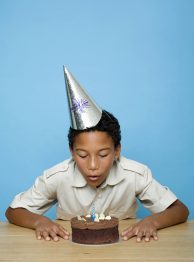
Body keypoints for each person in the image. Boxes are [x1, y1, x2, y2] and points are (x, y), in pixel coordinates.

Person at [5, 68, 189, 243]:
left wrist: (152, 222)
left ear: (117, 151)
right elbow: (13, 211)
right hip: (69, 253)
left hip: (123, 252)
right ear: (72, 152)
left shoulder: (135, 174)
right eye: (83, 155)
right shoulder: (58, 176)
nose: (93, 165)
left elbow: (180, 210)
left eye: (103, 154)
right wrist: (39, 221)